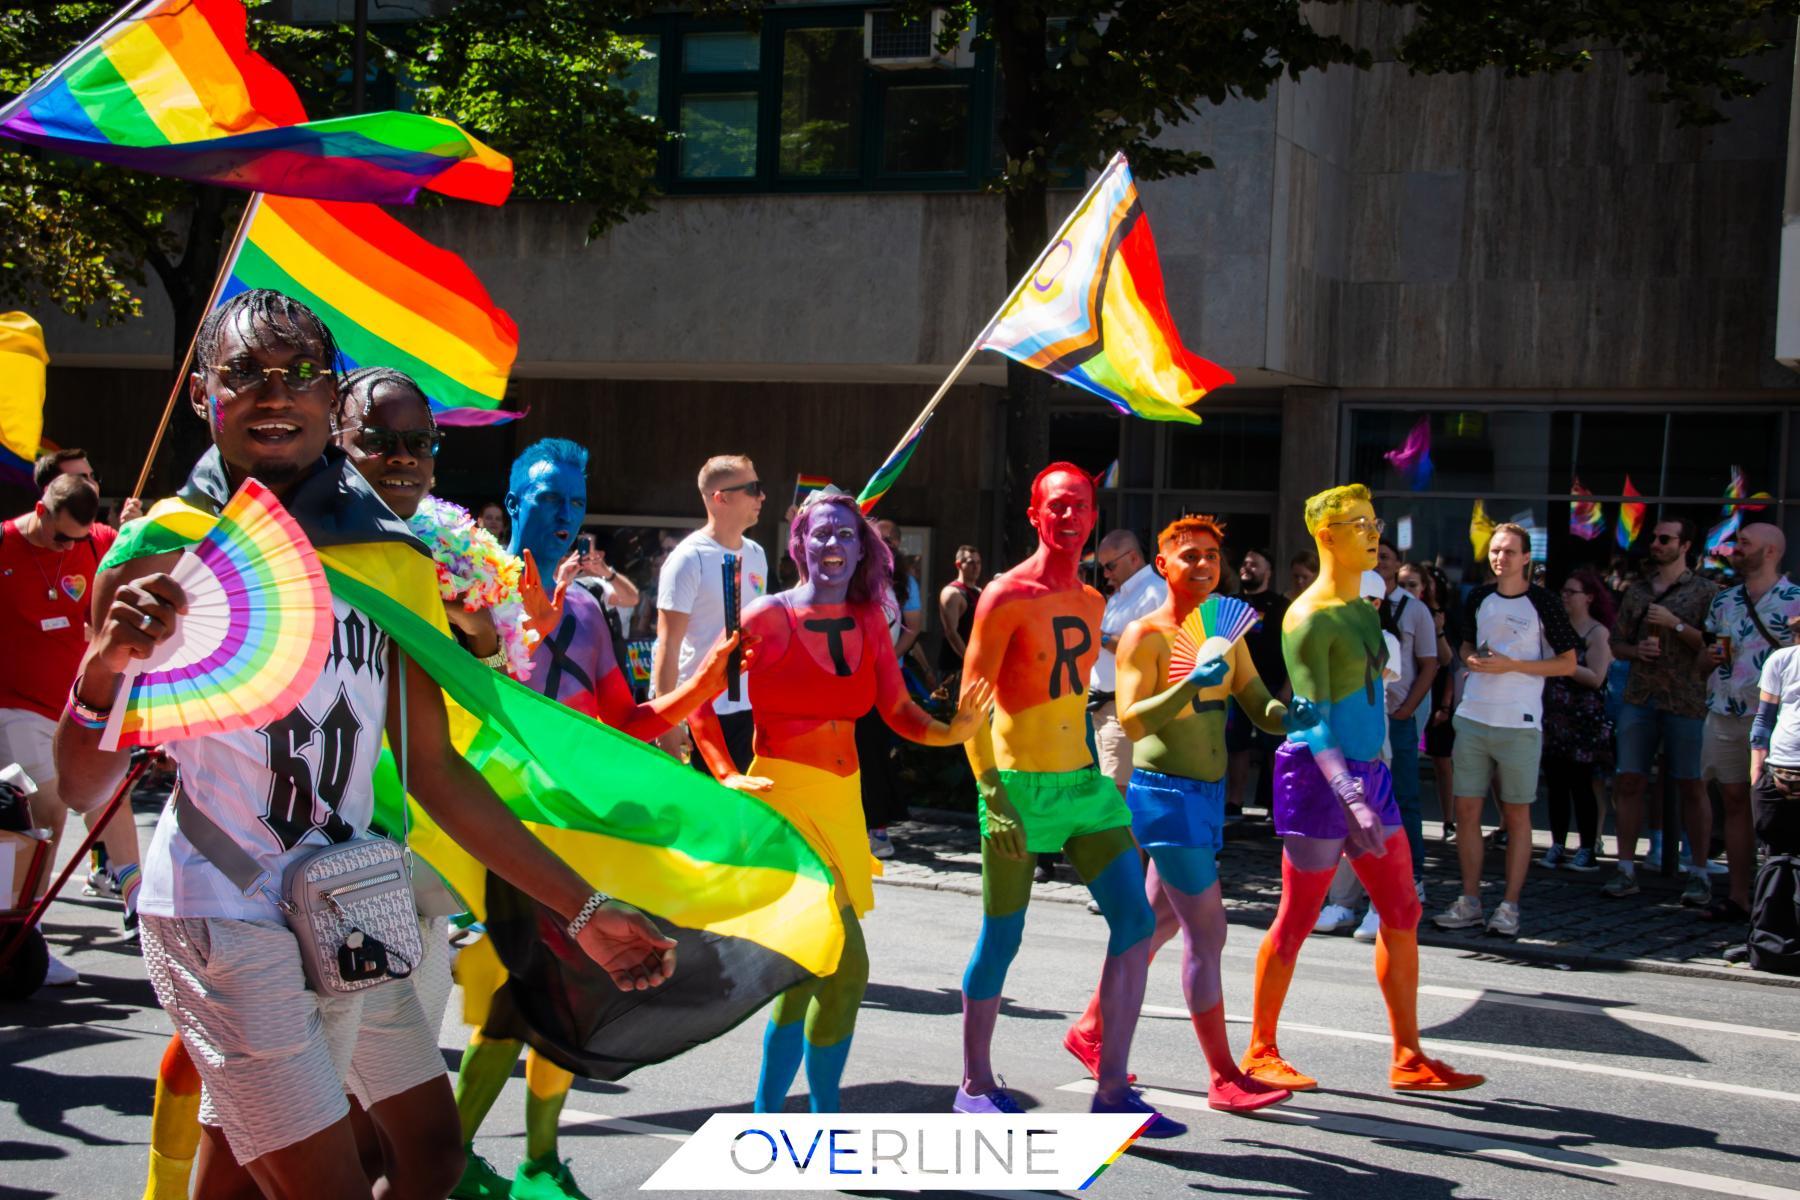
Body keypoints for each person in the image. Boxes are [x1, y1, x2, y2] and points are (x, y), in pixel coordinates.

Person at [55, 290, 677, 1199]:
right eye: (244, 373)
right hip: (219, 908)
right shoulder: (161, 552)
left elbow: (436, 771)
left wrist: (581, 910)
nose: (275, 394)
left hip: (345, 904)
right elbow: (82, 787)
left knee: (425, 1155)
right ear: (200, 393)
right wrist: (104, 668)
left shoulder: (390, 557)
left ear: (330, 393)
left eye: (300, 373)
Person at [454, 436, 741, 1200]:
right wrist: (523, 624)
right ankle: (459, 1161)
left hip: (579, 837)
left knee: (563, 1000)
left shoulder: (585, 608)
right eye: (549, 499)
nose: (564, 515)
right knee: (516, 1001)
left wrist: (703, 684)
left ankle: (536, 1161)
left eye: (575, 504)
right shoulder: (469, 595)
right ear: (514, 503)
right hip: (496, 833)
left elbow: (624, 722)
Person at [691, 491, 990, 1113]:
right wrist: (724, 773)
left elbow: (898, 709)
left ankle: (773, 1116)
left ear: (862, 550)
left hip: (842, 804)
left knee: (805, 975)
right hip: (783, 805)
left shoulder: (870, 620)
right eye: (821, 534)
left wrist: (952, 733)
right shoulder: (768, 616)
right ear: (800, 545)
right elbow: (698, 699)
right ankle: (823, 1116)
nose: (833, 545)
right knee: (847, 968)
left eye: (846, 535)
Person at [951, 463, 1181, 1134]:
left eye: (1079, 505)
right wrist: (992, 794)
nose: (1069, 516)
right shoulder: (1004, 595)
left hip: (1082, 785)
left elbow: (1082, 694)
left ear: (1093, 515)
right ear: (1034, 515)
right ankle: (974, 1082)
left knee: (1135, 924)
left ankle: (1112, 1088)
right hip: (1018, 788)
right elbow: (970, 711)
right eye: (1056, 506)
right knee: (1003, 935)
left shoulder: (1089, 600)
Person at [1243, 484, 1483, 1094]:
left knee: (1403, 910)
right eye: (1359, 525)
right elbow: (1310, 716)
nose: (1374, 535)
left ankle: (1408, 1055)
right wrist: (1348, 793)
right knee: (1298, 915)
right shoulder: (1309, 616)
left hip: (1368, 774)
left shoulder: (1362, 611)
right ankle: (1260, 1050)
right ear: (1326, 537)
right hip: (1321, 777)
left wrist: (1366, 782)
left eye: (1374, 524)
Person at [1062, 516, 1304, 1112]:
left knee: (1155, 923)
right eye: (1190, 555)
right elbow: (1133, 720)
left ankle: (1090, 1029)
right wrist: (1190, 682)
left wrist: (1290, 715)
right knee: (1209, 932)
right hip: (1164, 798)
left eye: (1212, 556)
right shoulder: (1145, 634)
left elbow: (1258, 704)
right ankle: (1223, 1076)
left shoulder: (1226, 629)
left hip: (1207, 799)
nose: (1203, 565)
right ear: (1163, 565)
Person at [0, 472, 131, 973]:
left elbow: (139, 566)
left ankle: (131, 901)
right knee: (47, 811)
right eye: (60, 537)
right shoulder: (5, 542)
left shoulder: (97, 542)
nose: (67, 548)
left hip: (73, 709)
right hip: (14, 706)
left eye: (77, 539)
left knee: (80, 808)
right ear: (41, 510)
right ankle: (25, 933)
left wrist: (134, 532)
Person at [1432, 524, 1579, 937]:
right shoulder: (1478, 596)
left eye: (1510, 551)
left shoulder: (1544, 602)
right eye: (1496, 550)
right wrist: (1471, 659)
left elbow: (1568, 663)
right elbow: (1465, 645)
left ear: (1526, 557)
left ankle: (1510, 905)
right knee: (1466, 811)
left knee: (1516, 814)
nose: (1501, 558)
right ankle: (1470, 900)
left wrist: (1513, 665)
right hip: (1474, 715)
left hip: (1519, 721)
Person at [1604, 518, 1721, 904]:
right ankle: (1625, 868)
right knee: (1628, 780)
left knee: (1692, 784)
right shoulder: (1637, 591)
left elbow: (1715, 646)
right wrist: (1636, 651)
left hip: (1686, 699)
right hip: (1640, 697)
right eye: (1654, 538)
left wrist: (1676, 625)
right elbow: (1617, 643)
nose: (1656, 543)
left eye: (1665, 538)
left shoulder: (1706, 592)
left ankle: (1699, 873)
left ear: (1684, 545)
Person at [1703, 523, 1800, 922]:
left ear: (1771, 551)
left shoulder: (1795, 601)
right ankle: (1739, 896)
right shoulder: (1724, 599)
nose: (1735, 548)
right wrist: (1706, 658)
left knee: (1776, 810)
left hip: (1776, 723)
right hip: (1725, 712)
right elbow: (1707, 654)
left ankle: (1777, 901)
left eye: (1745, 543)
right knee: (1733, 802)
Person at [655, 455, 768, 772]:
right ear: (721, 498)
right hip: (701, 712)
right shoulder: (687, 558)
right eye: (753, 488)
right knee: (699, 803)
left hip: (749, 710)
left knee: (745, 801)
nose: (762, 496)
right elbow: (668, 646)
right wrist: (666, 724)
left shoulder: (757, 554)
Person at [1540, 568, 1616, 872]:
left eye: (1572, 592)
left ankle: (1587, 847)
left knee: (1582, 784)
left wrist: (1564, 665)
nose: (1565, 597)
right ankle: (1557, 843)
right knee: (1556, 784)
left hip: (1583, 718)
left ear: (1589, 598)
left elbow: (1596, 677)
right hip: (1554, 716)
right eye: (1564, 592)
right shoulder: (1556, 627)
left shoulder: (1597, 632)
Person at [1091, 530, 1169, 798]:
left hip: (1124, 709)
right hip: (1104, 708)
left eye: (1110, 566)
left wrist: (1100, 637)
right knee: (1112, 791)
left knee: (1118, 795)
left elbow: (1151, 651)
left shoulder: (1156, 592)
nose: (1105, 574)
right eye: (1102, 567)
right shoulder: (1120, 596)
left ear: (1133, 558)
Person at [1743, 643, 1800, 969]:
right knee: (1773, 858)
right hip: (1779, 769)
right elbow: (1763, 720)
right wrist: (1757, 772)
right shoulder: (1782, 659)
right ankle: (1767, 939)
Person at [1226, 548, 1290, 818]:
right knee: (1236, 745)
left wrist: (1287, 687)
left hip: (1272, 688)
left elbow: (1292, 651)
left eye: (1254, 564)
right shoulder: (1230, 602)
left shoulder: (1282, 605)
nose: (1247, 568)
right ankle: (1234, 802)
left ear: (1269, 571)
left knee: (1275, 748)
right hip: (1235, 688)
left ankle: (1276, 806)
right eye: (1245, 563)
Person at [937, 543, 983, 689]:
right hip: (955, 668)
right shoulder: (952, 593)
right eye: (971, 563)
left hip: (976, 666)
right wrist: (969, 660)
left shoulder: (980, 592)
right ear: (959, 565)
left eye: (978, 563)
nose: (976, 567)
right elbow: (951, 632)